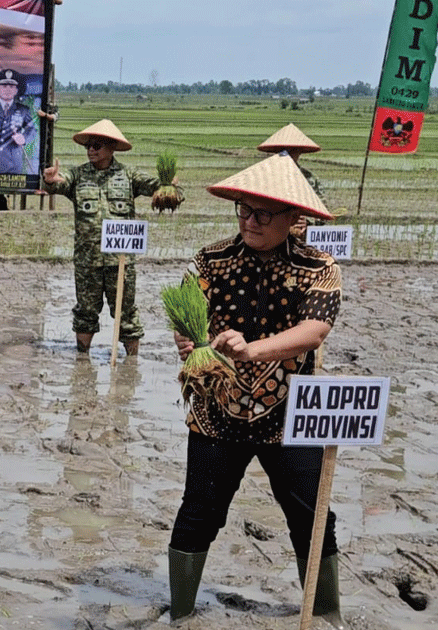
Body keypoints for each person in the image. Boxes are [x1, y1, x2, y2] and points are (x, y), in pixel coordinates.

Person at [167, 153, 342, 627]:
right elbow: (187, 314)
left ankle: (325, 611)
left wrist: (252, 350)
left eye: (263, 213)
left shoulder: (317, 266)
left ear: (293, 217)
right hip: (215, 411)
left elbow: (314, 330)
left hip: (291, 413)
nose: (250, 221)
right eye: (243, 210)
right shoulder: (211, 260)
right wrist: (187, 338)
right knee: (199, 510)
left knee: (312, 513)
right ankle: (181, 612)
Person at [42, 119, 161, 355]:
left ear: (112, 148)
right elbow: (58, 184)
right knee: (86, 311)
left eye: (97, 145)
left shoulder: (128, 175)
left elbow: (160, 186)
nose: (91, 150)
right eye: (88, 146)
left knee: (125, 313)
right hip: (88, 261)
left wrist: (168, 186)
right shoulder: (77, 175)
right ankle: (83, 360)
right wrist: (49, 180)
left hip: (120, 262)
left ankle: (131, 362)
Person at [257, 123, 325, 238]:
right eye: (284, 150)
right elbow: (252, 210)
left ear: (300, 151)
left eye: (293, 150)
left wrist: (307, 221)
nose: (288, 153)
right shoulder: (263, 177)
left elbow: (323, 213)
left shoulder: (310, 179)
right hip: (271, 236)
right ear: (277, 151)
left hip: (301, 239)